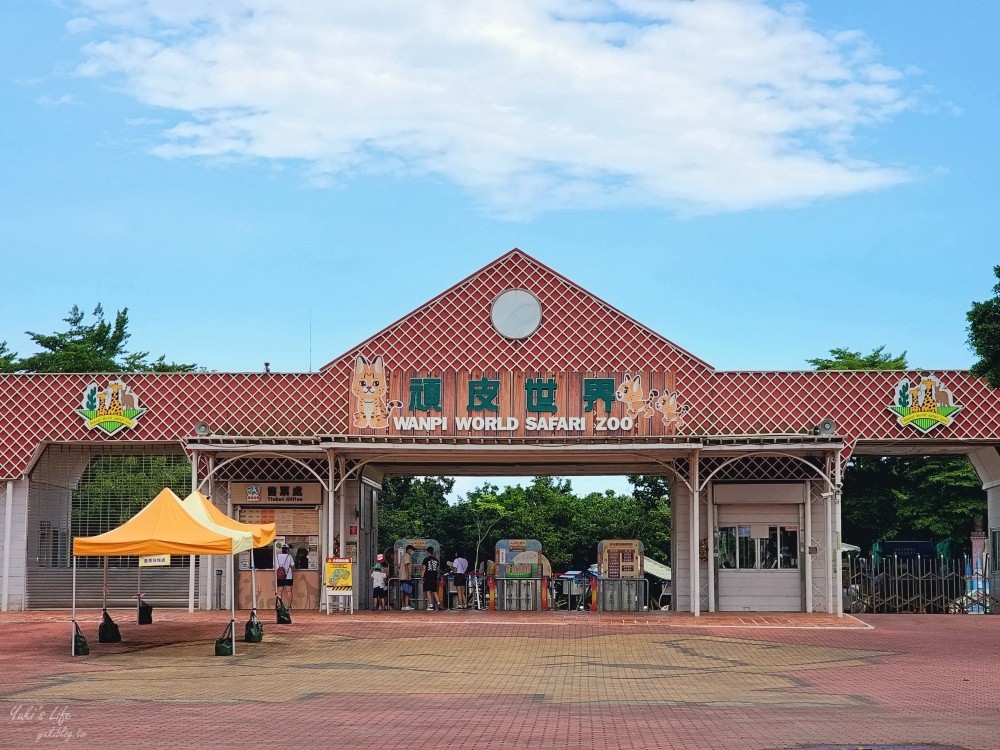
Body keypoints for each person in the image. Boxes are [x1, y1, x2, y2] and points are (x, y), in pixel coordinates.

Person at [421, 546, 442, 611]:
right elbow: (437, 569)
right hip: (434, 577)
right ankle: (439, 604)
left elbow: (424, 569)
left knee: (428, 591)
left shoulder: (425, 559)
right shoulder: (436, 560)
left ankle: (431, 605)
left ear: (427, 552)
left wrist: (422, 577)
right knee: (435, 591)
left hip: (428, 576)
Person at [399, 545, 415, 610]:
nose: (412, 551)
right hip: (405, 576)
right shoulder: (407, 555)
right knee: (407, 591)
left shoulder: (404, 556)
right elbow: (406, 565)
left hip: (402, 576)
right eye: (412, 550)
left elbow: (399, 566)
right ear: (408, 549)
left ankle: (403, 605)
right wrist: (408, 575)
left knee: (403, 591)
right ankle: (406, 605)